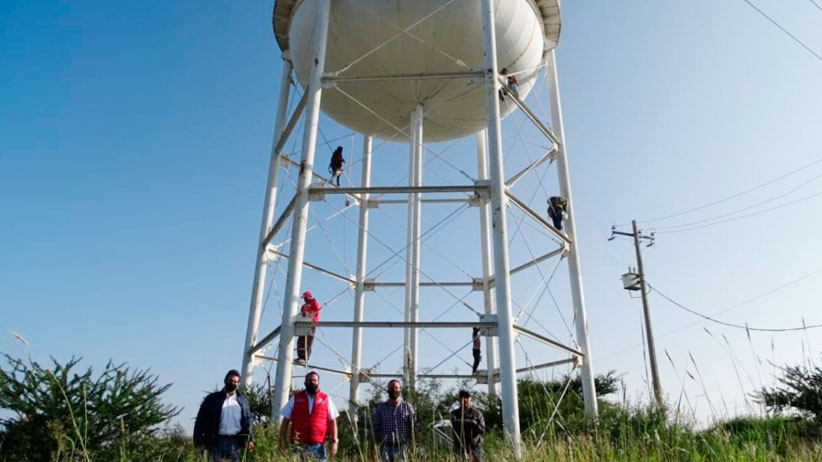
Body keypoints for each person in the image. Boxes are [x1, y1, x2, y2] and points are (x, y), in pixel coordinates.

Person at [193, 370, 255, 462]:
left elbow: (247, 421)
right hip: (216, 440)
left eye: (235, 382)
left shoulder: (242, 401)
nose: (232, 383)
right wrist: (197, 439)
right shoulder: (213, 399)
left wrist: (250, 439)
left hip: (234, 442)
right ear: (225, 381)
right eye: (230, 381)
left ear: (238, 384)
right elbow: (200, 420)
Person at [279, 371, 339, 461]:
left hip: (318, 446)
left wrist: (334, 442)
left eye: (315, 380)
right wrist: (281, 440)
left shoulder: (325, 398)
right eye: (310, 380)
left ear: (318, 383)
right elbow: (285, 420)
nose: (312, 382)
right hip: (298, 444)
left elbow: (332, 421)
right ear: (305, 382)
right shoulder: (296, 398)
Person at [372, 379, 416, 462]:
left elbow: (413, 428)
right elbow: (375, 428)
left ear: (400, 390)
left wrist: (413, 448)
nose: (394, 390)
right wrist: (373, 448)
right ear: (387, 390)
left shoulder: (407, 407)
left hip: (402, 447)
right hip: (385, 448)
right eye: (391, 388)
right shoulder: (381, 407)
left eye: (396, 388)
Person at [450, 390, 485, 462]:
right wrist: (470, 422)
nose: (464, 400)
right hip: (460, 447)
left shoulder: (477, 413)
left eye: (466, 397)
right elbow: (453, 423)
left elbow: (482, 429)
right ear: (459, 399)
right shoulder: (455, 413)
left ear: (470, 399)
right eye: (462, 397)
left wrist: (472, 425)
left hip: (475, 447)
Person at [297, 291, 320, 363]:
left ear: (309, 296)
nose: (304, 299)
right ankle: (300, 356)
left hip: (311, 322)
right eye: (304, 298)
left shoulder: (314, 302)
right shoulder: (303, 306)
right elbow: (301, 314)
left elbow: (316, 311)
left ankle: (305, 357)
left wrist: (308, 314)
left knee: (308, 340)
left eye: (305, 297)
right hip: (303, 323)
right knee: (300, 340)